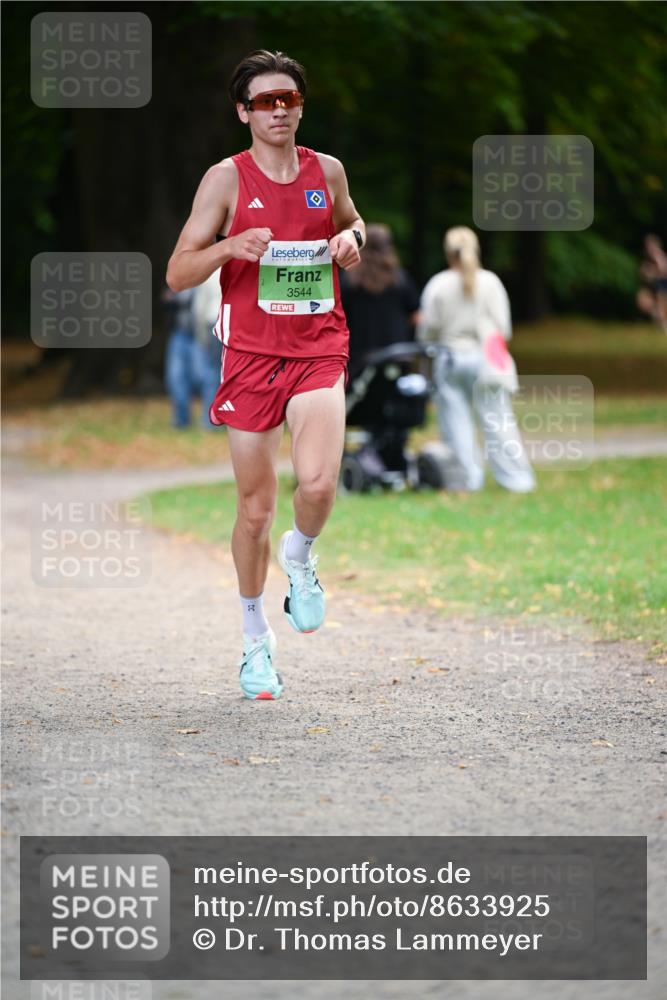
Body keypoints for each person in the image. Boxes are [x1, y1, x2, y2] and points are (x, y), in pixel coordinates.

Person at [166, 50, 364, 700]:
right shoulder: (225, 179)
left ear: (300, 106)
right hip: (250, 357)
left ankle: (300, 556)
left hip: (317, 348)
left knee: (319, 482)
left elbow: (352, 221)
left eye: (288, 99)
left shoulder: (326, 171)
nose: (278, 110)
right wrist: (229, 246)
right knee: (254, 511)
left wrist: (353, 240)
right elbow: (177, 272)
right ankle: (255, 639)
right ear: (243, 112)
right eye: (264, 102)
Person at [419, 226, 535, 493]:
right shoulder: (491, 282)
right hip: (487, 360)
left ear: (448, 253)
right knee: (499, 420)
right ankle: (517, 480)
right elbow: (503, 328)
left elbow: (427, 331)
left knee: (456, 423)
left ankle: (467, 479)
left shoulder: (438, 284)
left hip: (450, 359)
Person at [340, 223, 421, 474]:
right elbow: (417, 316)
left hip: (359, 363)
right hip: (396, 360)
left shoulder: (349, 280)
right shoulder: (400, 279)